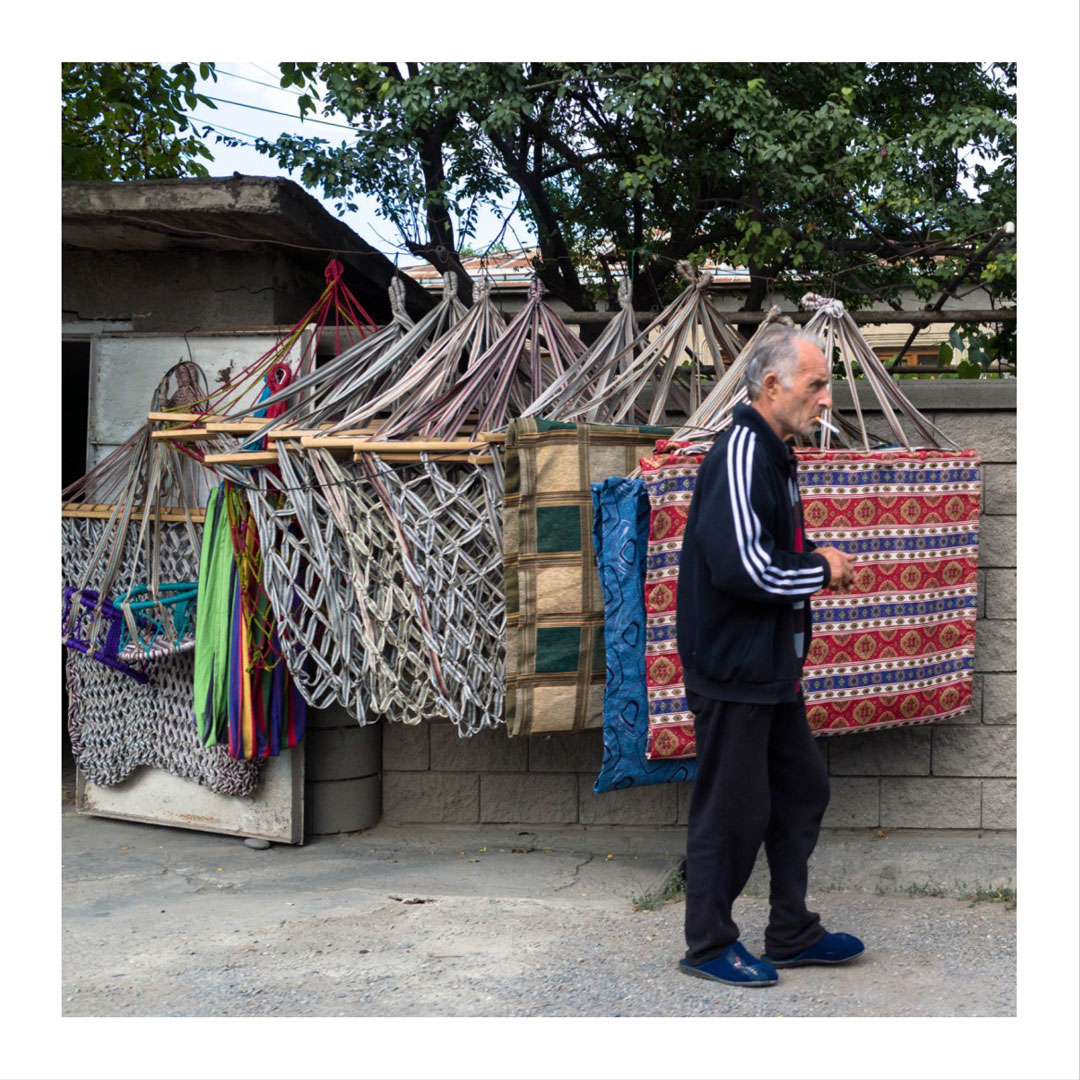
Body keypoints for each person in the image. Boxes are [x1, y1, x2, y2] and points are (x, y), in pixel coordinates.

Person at [675, 324, 864, 987]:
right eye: (817, 384)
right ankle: (707, 946)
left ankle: (790, 931)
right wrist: (819, 567)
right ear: (773, 385)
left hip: (770, 668)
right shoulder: (740, 452)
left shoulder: (774, 453)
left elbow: (762, 553)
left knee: (801, 789)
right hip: (734, 668)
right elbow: (743, 568)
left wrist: (811, 562)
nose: (827, 399)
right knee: (733, 810)